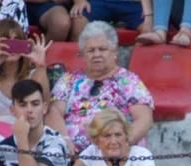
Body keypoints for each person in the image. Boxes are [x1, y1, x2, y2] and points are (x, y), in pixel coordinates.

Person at [46, 21, 154, 155]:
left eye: (102, 49)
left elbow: (144, 118)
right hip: (71, 154)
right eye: (91, 50)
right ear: (83, 55)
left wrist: (121, 144)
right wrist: (64, 141)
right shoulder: (68, 80)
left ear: (114, 52)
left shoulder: (128, 81)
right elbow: (54, 112)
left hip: (115, 155)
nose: (97, 54)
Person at [0, 19, 50, 166]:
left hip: (24, 134)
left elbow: (45, 105)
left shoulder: (33, 73)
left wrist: (41, 66)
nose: (12, 47)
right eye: (7, 42)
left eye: (17, 41)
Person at [0, 78, 69, 166]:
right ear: (13, 110)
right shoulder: (3, 147)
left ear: (44, 108)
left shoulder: (56, 142)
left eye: (35, 104)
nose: (29, 110)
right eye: (23, 105)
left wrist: (21, 139)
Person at [63, 107, 157, 166]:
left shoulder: (141, 154)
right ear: (97, 139)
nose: (113, 141)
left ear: (126, 135)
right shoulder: (91, 152)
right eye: (107, 136)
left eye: (118, 135)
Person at [69, 0, 150, 41]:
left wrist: (149, 9)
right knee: (79, 22)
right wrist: (79, 1)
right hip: (99, 2)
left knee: (149, 29)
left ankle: (140, 69)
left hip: (132, 3)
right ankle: (79, 69)